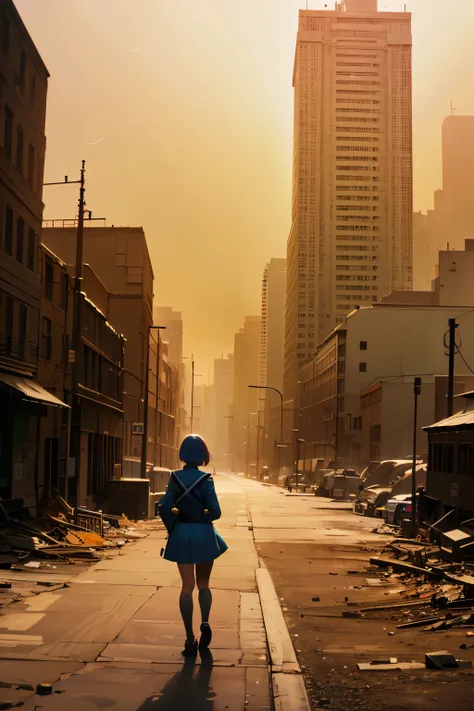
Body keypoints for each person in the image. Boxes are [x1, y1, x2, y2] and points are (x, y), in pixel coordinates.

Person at [158, 435, 228, 658]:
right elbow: (216, 511)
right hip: (204, 534)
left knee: (186, 586)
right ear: (203, 455)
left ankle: (189, 637)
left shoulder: (174, 478)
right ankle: (205, 623)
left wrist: (174, 528)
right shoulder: (206, 479)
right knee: (204, 584)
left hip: (182, 533)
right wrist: (203, 514)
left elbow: (165, 507)